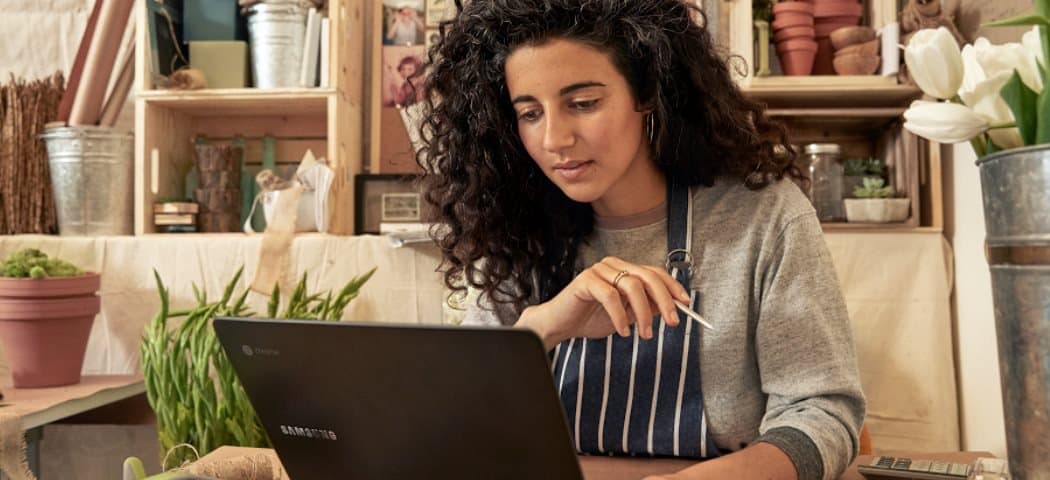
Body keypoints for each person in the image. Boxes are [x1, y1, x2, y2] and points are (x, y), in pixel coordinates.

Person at [417, 1, 866, 479]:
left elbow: (823, 415)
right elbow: (454, 426)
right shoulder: (512, 229)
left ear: (647, 93)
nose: (554, 139)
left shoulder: (764, 216)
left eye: (583, 103)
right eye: (529, 113)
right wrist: (539, 330)